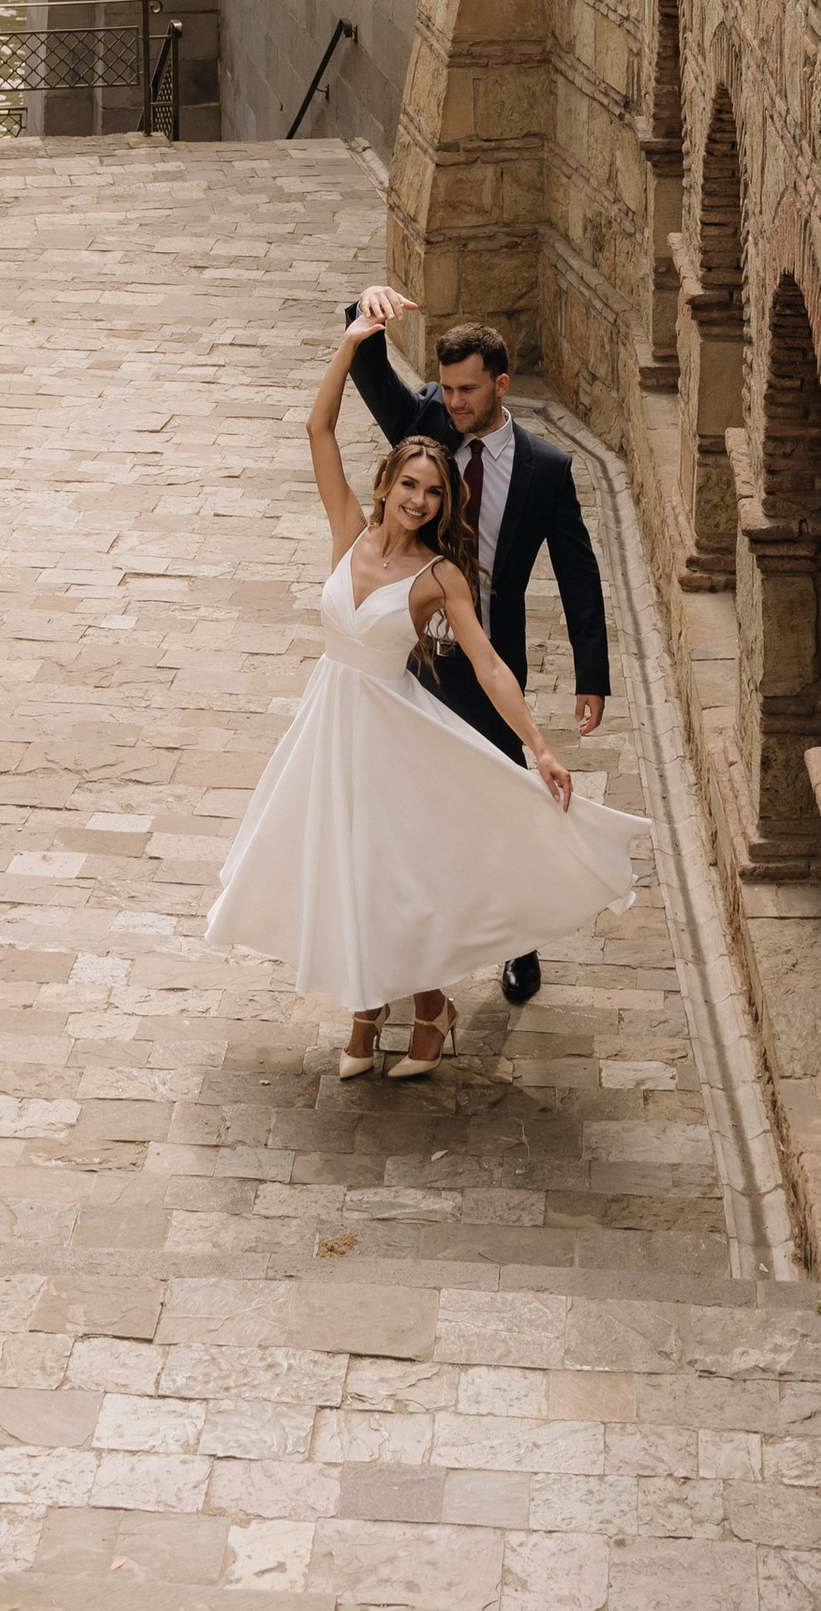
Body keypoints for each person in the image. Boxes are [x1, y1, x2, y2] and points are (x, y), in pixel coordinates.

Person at [204, 290, 639, 1077]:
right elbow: (320, 427)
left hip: (408, 708)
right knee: (358, 861)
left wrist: (543, 745)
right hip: (335, 723)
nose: (420, 499)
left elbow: (507, 646)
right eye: (410, 486)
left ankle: (454, 975)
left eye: (433, 493)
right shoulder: (353, 526)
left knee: (435, 840)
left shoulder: (448, 567)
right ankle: (381, 1007)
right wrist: (355, 332)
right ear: (388, 482)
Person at [342, 289, 608, 1009]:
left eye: (466, 390)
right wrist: (363, 311)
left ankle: (519, 939)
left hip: (489, 654)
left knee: (504, 799)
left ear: (501, 384)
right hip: (414, 656)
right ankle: (410, 943)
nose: (453, 402)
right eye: (446, 387)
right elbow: (370, 375)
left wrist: (592, 672)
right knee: (408, 802)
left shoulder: (546, 469)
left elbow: (578, 571)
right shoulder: (425, 422)